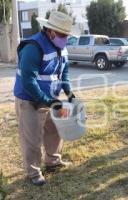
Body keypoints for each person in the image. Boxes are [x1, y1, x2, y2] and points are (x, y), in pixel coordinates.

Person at [13, 11, 76, 186]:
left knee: (55, 130)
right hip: (30, 100)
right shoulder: (33, 47)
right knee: (32, 138)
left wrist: (69, 92)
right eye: (63, 34)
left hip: (51, 97)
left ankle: (53, 161)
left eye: (67, 35)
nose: (65, 38)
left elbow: (65, 72)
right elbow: (28, 81)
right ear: (51, 31)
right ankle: (33, 172)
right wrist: (47, 101)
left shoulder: (62, 46)